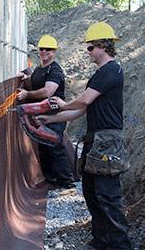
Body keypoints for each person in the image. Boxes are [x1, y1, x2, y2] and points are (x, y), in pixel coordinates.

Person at [35, 23, 132, 250]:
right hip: (96, 141)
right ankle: (101, 242)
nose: (87, 53)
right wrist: (51, 119)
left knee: (108, 197)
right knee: (90, 192)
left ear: (102, 46)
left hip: (107, 143)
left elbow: (84, 100)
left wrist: (63, 104)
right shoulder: (100, 74)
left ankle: (120, 246)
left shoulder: (111, 71)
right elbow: (82, 110)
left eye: (90, 49)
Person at [17, 35, 76, 194]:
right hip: (42, 114)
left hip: (55, 114)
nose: (44, 52)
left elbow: (48, 90)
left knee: (56, 146)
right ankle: (51, 181)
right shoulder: (39, 69)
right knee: (44, 147)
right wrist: (26, 78)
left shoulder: (55, 70)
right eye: (42, 49)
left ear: (54, 51)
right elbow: (36, 80)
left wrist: (27, 94)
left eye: (48, 49)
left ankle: (68, 185)